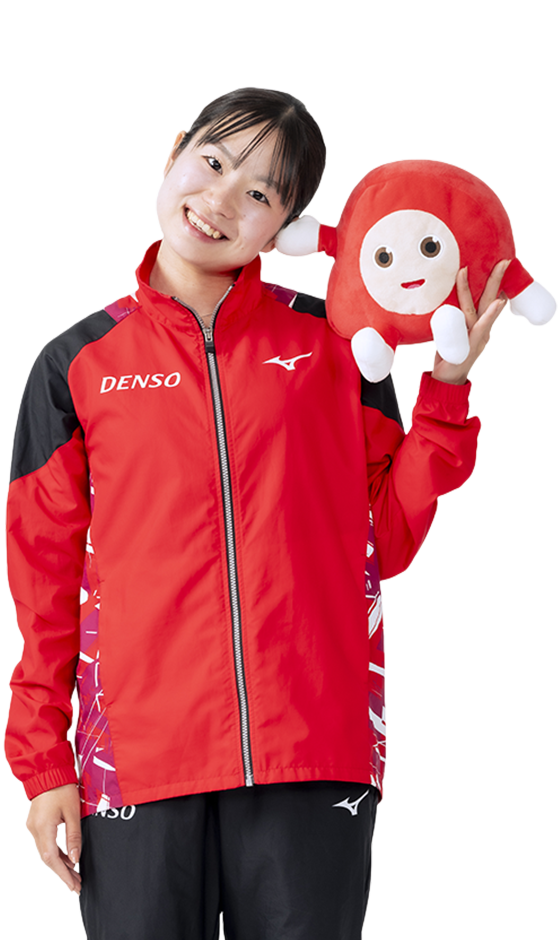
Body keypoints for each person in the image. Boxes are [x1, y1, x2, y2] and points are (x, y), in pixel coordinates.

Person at [4, 88, 508, 940]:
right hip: (136, 760)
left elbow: (387, 537)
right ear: (175, 152)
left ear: (283, 227)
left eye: (260, 192)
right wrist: (44, 762)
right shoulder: (77, 363)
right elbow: (40, 582)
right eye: (211, 162)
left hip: (314, 752)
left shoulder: (336, 345)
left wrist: (447, 391)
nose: (220, 200)